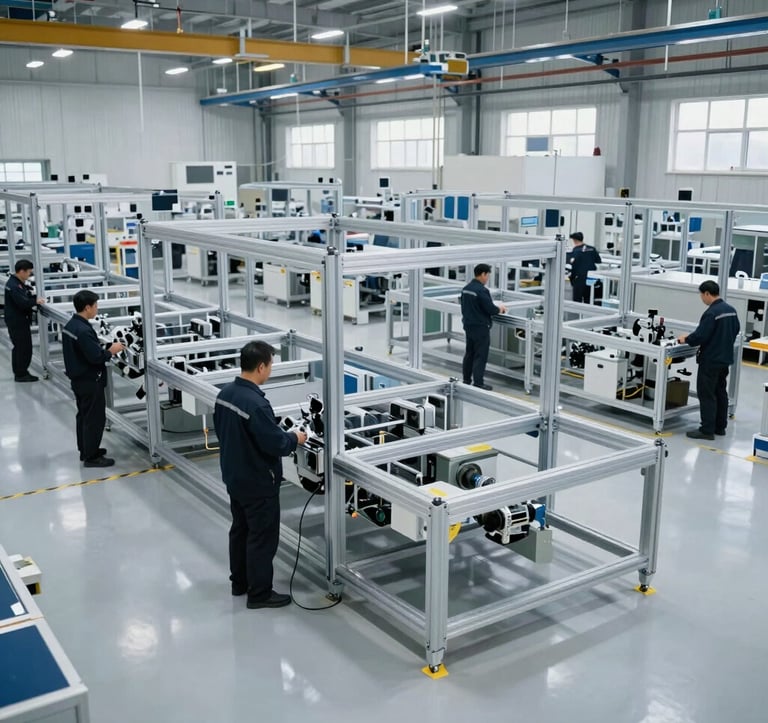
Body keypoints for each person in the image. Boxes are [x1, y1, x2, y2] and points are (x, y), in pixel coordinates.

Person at [213, 340, 308, 609]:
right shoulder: (255, 404)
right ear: (261, 367)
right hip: (258, 481)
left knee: (240, 530)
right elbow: (275, 444)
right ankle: (259, 593)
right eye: (271, 365)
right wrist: (295, 438)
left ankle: (239, 583)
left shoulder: (225, 394)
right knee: (261, 537)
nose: (271, 370)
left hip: (234, 476)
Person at [62, 290, 124, 467]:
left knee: (84, 415)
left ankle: (86, 450)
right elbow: (96, 357)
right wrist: (112, 350)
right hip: (90, 380)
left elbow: (86, 350)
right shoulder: (83, 330)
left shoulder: (71, 325)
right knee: (94, 419)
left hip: (79, 379)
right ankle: (91, 457)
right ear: (87, 307)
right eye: (96, 306)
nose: (97, 309)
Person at [677, 280, 740, 440]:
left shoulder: (711, 313)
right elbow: (736, 330)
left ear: (706, 293)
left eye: (701, 295)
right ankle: (720, 427)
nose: (701, 299)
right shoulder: (731, 310)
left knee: (707, 394)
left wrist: (685, 339)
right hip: (725, 358)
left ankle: (706, 430)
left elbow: (701, 336)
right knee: (720, 392)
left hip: (710, 359)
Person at [460, 263, 507, 391]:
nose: (487, 279)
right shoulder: (481, 290)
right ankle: (478, 382)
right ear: (483, 274)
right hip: (480, 327)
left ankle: (466, 379)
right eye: (487, 276)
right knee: (480, 355)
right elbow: (490, 309)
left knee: (469, 353)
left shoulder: (466, 288)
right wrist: (500, 309)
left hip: (468, 325)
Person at [4, 259, 45, 382]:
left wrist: (31, 296)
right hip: (17, 321)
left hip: (16, 319)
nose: (29, 275)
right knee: (23, 348)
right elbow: (23, 303)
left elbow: (24, 296)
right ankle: (21, 374)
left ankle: (20, 372)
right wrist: (36, 301)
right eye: (28, 272)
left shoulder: (15, 282)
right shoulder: (14, 286)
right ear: (21, 271)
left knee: (19, 347)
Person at [567, 231, 602, 303]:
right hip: (591, 278)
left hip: (579, 278)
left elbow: (572, 265)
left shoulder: (575, 251)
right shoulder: (592, 249)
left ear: (574, 240)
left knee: (577, 300)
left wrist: (572, 278)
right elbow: (598, 261)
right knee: (588, 299)